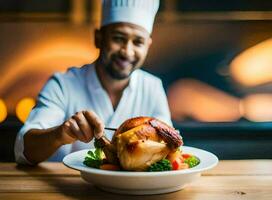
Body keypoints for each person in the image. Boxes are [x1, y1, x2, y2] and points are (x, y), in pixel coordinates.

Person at [14, 0, 172, 165]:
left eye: (138, 42)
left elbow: (169, 150)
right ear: (98, 38)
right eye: (118, 38)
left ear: (148, 45)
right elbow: (23, 151)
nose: (127, 51)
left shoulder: (153, 87)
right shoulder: (62, 85)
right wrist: (60, 134)